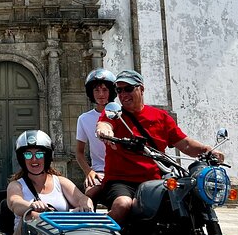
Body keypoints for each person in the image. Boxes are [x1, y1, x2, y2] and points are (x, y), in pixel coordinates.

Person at [95, 70, 225, 224]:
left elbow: (185, 144)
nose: (123, 94)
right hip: (121, 181)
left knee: (185, 203)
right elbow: (104, 125)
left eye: (128, 89)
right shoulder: (114, 113)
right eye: (119, 90)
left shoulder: (161, 117)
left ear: (141, 89)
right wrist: (104, 132)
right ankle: (101, 234)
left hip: (154, 181)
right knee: (123, 205)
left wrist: (207, 150)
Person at [7, 130, 93, 235]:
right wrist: (30, 206)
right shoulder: (16, 185)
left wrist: (84, 206)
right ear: (22, 158)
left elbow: (83, 198)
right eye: (28, 155)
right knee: (33, 216)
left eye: (39, 154)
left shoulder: (60, 181)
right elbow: (14, 202)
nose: (34, 159)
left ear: (47, 157)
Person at [76, 68, 116, 202]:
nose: (101, 94)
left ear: (111, 91)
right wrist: (89, 172)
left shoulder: (121, 115)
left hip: (121, 170)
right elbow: (79, 152)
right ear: (91, 93)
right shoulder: (84, 119)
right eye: (97, 90)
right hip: (100, 171)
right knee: (89, 194)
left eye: (105, 90)